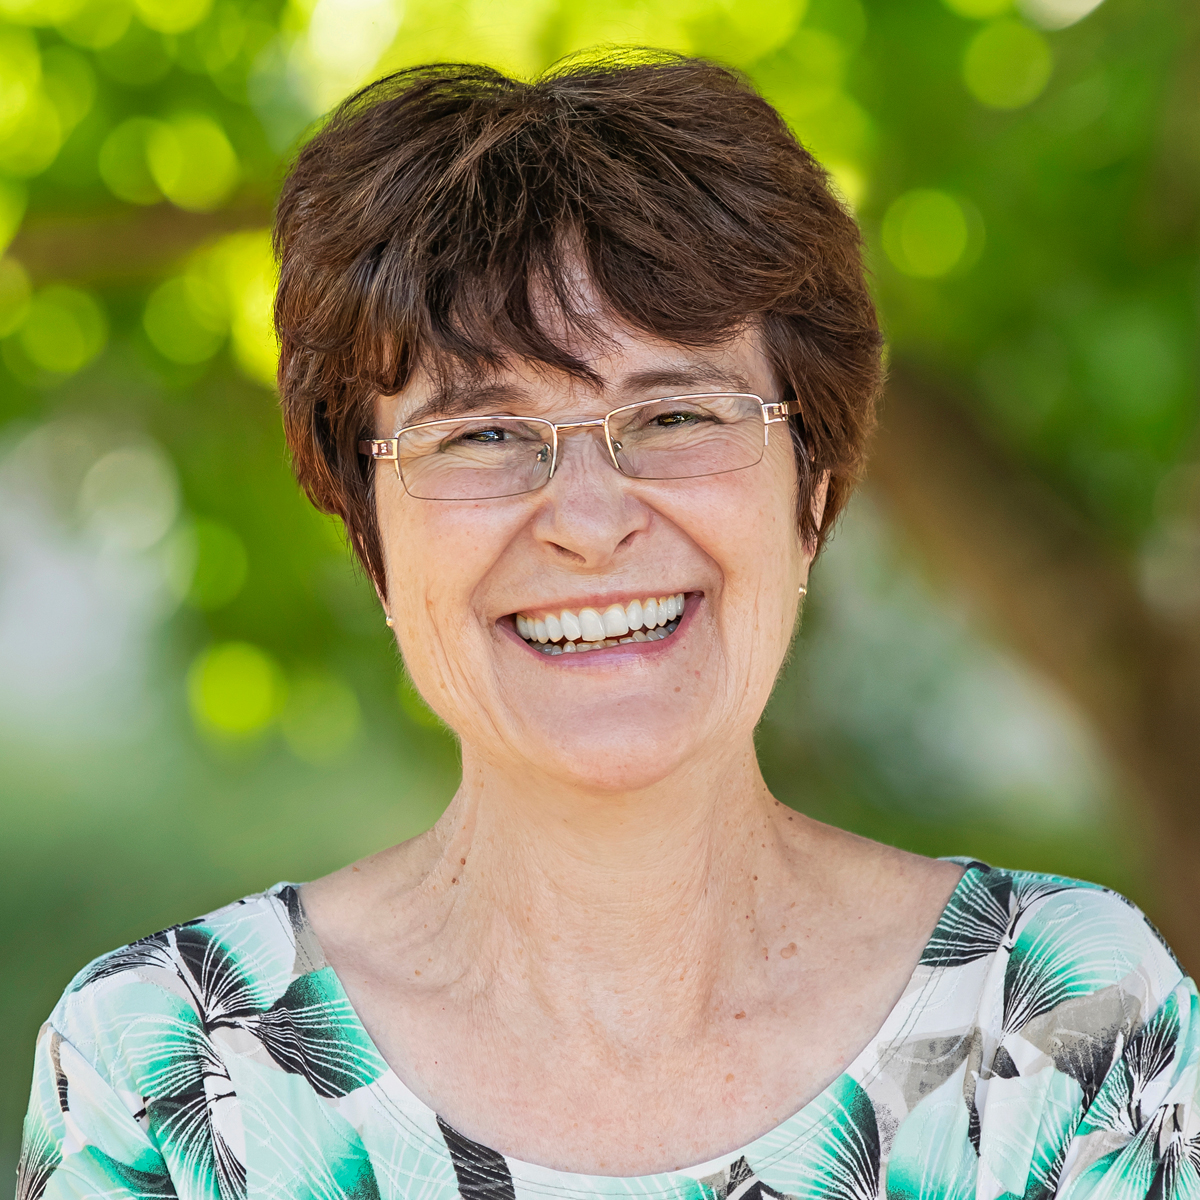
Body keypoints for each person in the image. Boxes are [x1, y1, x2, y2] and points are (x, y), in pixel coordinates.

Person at [18, 52, 1197, 1200]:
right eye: (482, 435)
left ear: (815, 496)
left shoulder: (1066, 1024)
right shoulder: (171, 1065)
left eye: (678, 413)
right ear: (373, 540)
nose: (587, 522)